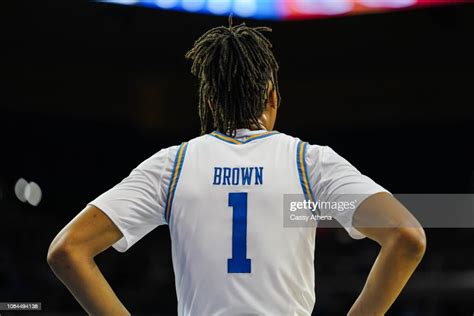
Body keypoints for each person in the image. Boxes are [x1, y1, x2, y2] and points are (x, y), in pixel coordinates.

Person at [47, 20, 426, 316]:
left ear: (210, 102)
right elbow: (408, 236)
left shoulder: (173, 166)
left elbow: (67, 251)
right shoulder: (309, 162)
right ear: (273, 96)